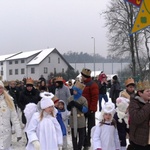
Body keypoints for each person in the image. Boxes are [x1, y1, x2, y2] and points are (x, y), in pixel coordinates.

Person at [128, 80, 150, 150]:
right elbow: (137, 118)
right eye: (147, 91)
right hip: (139, 141)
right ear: (140, 93)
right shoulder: (134, 103)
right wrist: (148, 105)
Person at [0, 80, 22, 150]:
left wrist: (18, 132)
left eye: (1, 88)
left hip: (6, 133)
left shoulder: (9, 100)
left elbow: (14, 118)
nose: (0, 90)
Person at [80, 68, 99, 150]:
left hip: (90, 109)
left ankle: (88, 142)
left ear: (84, 77)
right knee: (83, 126)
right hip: (83, 109)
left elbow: (95, 98)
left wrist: (91, 109)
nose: (81, 77)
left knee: (91, 127)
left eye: (82, 76)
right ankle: (84, 142)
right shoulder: (82, 84)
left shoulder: (93, 85)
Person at [67, 80, 88, 150]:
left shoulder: (83, 99)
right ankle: (75, 148)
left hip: (81, 119)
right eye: (73, 90)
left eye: (75, 91)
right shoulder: (70, 98)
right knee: (74, 136)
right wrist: (69, 105)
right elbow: (68, 108)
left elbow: (85, 110)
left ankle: (79, 147)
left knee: (82, 136)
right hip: (73, 120)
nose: (74, 92)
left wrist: (77, 105)